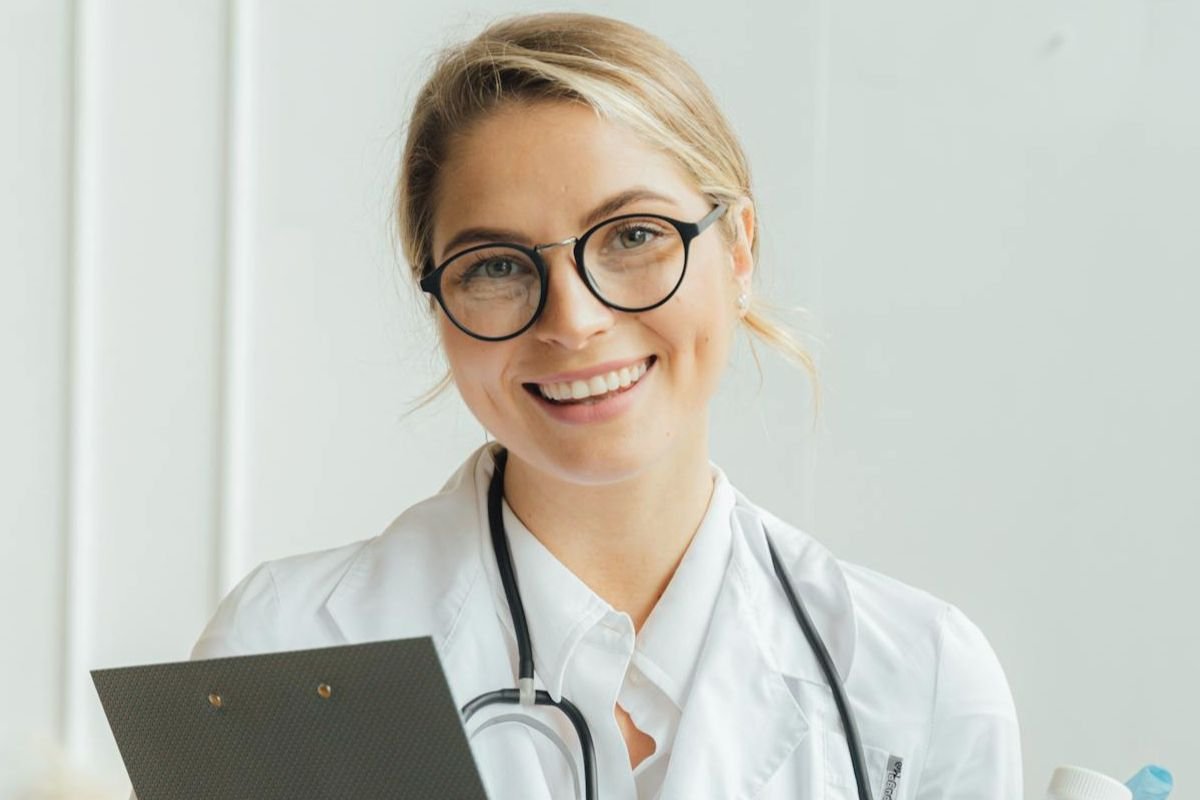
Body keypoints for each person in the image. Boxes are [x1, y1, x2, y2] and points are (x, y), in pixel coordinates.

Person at [186, 12, 1022, 799]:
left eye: (632, 236)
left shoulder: (920, 679)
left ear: (738, 253)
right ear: (439, 303)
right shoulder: (289, 652)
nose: (573, 322)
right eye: (497, 265)